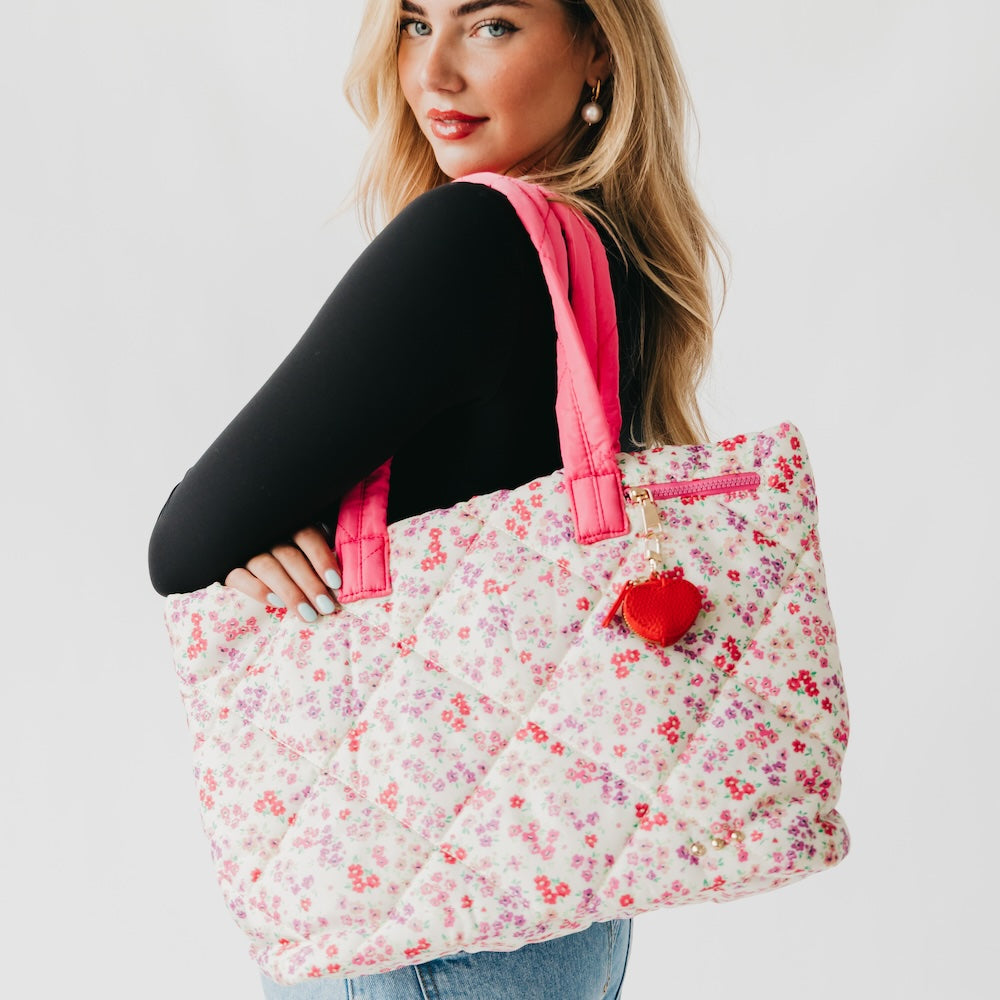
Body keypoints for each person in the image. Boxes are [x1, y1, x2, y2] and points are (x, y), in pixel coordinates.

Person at [149, 1, 724, 996]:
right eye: (416, 23)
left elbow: (186, 542)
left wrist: (266, 528)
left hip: (426, 916)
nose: (434, 74)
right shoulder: (605, 256)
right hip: (564, 906)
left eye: (491, 24)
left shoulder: (473, 237)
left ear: (599, 46)